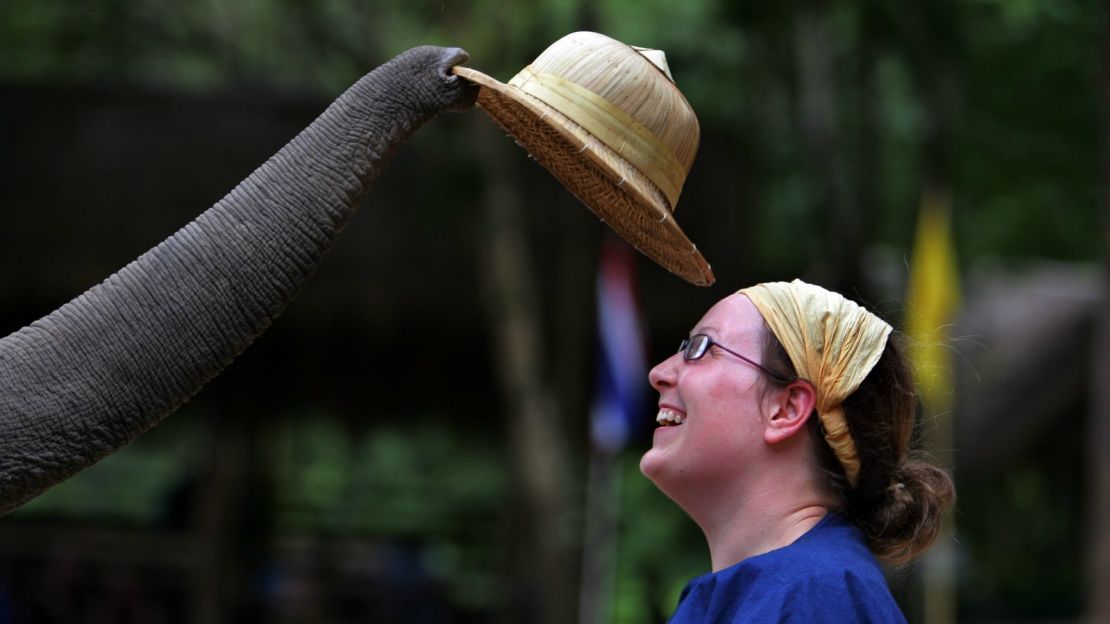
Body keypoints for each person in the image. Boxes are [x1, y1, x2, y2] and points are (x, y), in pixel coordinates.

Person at [641, 279, 955, 623]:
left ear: (786, 409)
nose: (659, 373)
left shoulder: (822, 596)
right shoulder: (791, 592)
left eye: (701, 348)